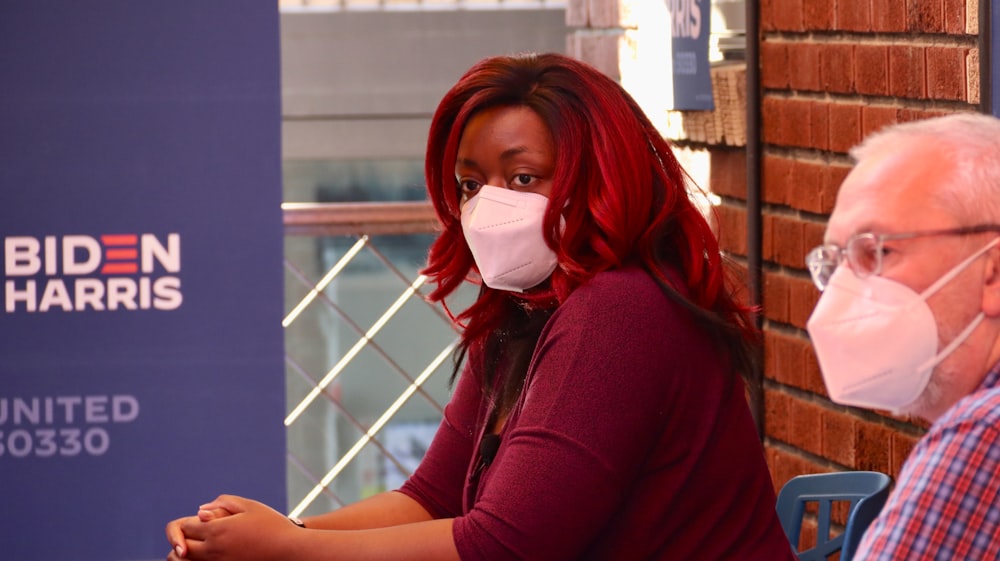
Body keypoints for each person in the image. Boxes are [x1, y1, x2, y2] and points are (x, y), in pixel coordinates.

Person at [165, 52, 795, 561]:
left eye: (523, 178)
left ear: (603, 177)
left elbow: (505, 543)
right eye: (472, 184)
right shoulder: (525, 313)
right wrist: (277, 535)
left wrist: (286, 550)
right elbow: (431, 498)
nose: (490, 205)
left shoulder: (620, 311)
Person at [805, 112, 1000, 559]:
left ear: (994, 272)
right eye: (835, 261)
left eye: (878, 251)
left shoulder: (982, 434)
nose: (843, 290)